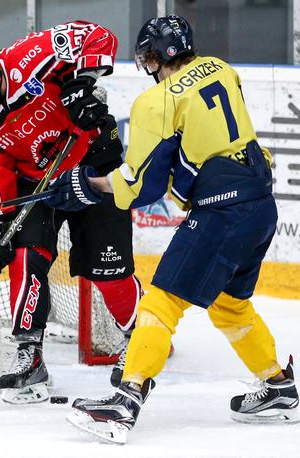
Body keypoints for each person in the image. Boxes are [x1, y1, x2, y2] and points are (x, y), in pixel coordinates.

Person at [61, 15, 299, 444]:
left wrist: (88, 185)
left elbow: (141, 186)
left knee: (160, 302)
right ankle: (280, 387)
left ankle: (125, 402)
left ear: (154, 57)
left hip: (221, 211)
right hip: (261, 204)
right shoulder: (223, 69)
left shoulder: (156, 102)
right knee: (230, 306)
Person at [0, 21, 143, 404]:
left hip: (93, 164)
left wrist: (83, 81)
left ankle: (140, 337)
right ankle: (29, 354)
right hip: (40, 184)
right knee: (23, 254)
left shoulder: (30, 55)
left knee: (110, 271)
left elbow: (98, 34)